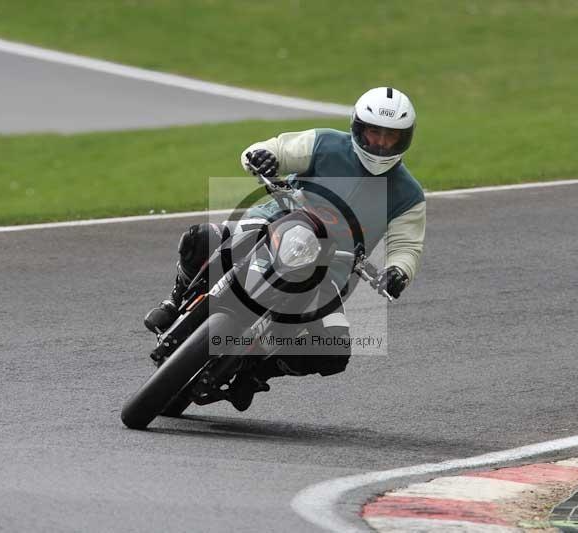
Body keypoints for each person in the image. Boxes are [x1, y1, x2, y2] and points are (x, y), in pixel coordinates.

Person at [145, 87, 426, 411]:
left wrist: (398, 272)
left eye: (390, 136)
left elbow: (407, 245)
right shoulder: (324, 143)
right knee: (199, 238)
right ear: (358, 128)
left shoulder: (408, 195)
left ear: (404, 139)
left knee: (334, 351)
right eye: (374, 132)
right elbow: (277, 149)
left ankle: (255, 373)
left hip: (330, 271)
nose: (380, 143)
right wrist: (263, 156)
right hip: (274, 223)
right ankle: (174, 300)